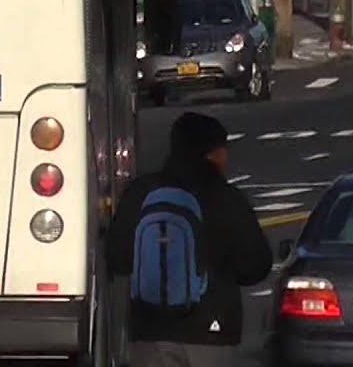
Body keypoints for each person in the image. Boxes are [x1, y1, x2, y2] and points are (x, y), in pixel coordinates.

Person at [107, 111, 273, 367]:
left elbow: (117, 257)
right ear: (213, 153)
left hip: (150, 331)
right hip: (211, 331)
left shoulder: (141, 192)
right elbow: (255, 265)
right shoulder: (225, 197)